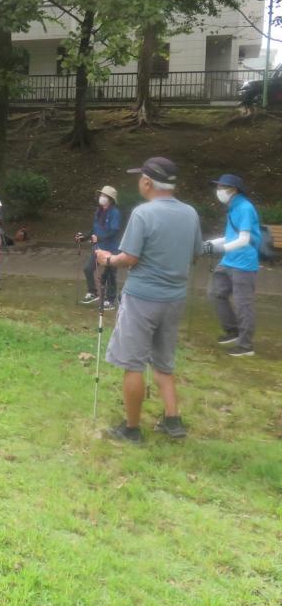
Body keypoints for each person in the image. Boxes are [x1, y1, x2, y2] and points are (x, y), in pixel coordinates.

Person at [94, 157, 201, 443]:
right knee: (164, 361)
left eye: (140, 178)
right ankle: (172, 420)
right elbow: (196, 251)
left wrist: (108, 259)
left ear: (147, 182)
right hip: (175, 298)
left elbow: (129, 258)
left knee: (133, 363)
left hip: (142, 298)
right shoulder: (190, 213)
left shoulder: (143, 214)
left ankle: (131, 428)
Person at [204, 173, 261, 358]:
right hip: (229, 259)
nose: (218, 191)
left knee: (243, 304)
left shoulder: (245, 207)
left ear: (233, 190)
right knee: (216, 293)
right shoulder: (233, 207)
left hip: (244, 261)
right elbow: (231, 236)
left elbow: (244, 239)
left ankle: (246, 346)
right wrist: (210, 244)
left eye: (222, 188)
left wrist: (220, 249)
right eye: (218, 187)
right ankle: (232, 330)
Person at [77, 185, 121, 310]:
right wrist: (83, 237)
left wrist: (99, 238)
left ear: (110, 199)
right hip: (98, 248)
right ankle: (93, 292)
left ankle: (110, 300)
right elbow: (94, 229)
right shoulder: (99, 211)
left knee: (109, 274)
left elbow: (114, 230)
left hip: (111, 249)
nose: (101, 198)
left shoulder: (115, 212)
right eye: (101, 195)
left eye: (104, 196)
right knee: (87, 269)